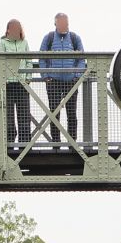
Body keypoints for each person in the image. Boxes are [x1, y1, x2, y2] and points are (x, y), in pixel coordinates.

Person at [39, 12, 86, 146]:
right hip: (53, 81)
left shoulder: (74, 38)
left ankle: (73, 143)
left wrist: (77, 76)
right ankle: (56, 143)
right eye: (61, 23)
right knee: (54, 113)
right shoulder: (48, 38)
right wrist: (45, 76)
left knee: (72, 113)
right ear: (55, 24)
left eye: (66, 23)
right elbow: (41, 57)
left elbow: (81, 58)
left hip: (71, 81)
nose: (65, 26)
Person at [0, 19, 33, 150]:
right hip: (8, 84)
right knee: (8, 117)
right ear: (7, 30)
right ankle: (9, 146)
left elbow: (29, 62)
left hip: (22, 84)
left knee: (24, 115)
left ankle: (25, 145)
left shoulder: (24, 42)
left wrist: (28, 78)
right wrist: (3, 79)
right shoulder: (3, 43)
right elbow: (0, 61)